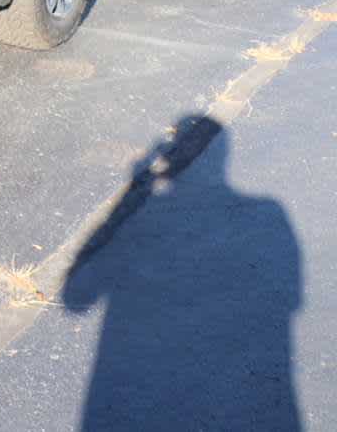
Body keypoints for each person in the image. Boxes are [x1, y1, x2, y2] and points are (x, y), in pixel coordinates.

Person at [64, 114, 302, 430]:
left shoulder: (165, 208)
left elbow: (76, 300)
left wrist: (135, 189)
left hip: (136, 382)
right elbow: (291, 299)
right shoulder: (272, 212)